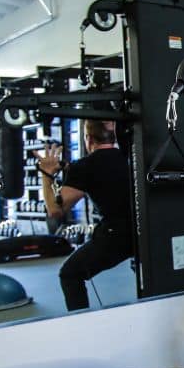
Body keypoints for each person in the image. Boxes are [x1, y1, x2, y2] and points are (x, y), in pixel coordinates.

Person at [38, 120, 132, 311]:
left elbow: (55, 210)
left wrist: (46, 175)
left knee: (69, 274)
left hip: (117, 236)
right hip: (147, 230)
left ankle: (80, 322)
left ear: (88, 139)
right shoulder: (132, 155)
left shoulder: (84, 166)